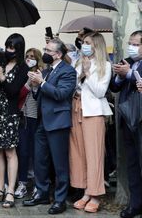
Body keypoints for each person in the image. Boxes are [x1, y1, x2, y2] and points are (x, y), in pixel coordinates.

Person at [23, 38, 76, 215]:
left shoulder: (68, 71)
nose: (45, 52)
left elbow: (61, 94)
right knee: (40, 161)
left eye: (48, 50)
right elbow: (40, 97)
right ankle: (42, 193)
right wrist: (35, 86)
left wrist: (43, 83)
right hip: (42, 122)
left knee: (60, 164)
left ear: (58, 54)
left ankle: (60, 200)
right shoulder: (45, 71)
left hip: (58, 122)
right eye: (45, 48)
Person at [69, 32, 112, 213]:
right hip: (76, 110)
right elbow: (73, 85)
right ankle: (86, 190)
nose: (83, 45)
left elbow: (100, 92)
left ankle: (95, 195)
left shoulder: (105, 65)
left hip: (93, 113)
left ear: (96, 45)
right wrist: (80, 72)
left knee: (94, 154)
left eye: (87, 43)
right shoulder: (78, 62)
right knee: (79, 153)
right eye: (83, 42)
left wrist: (87, 72)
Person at [0, 34, 29, 208]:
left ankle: (10, 190)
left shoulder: (23, 69)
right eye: (7, 47)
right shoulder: (0, 61)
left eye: (12, 48)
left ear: (19, 49)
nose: (8, 50)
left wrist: (2, 77)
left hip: (10, 113)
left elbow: (13, 92)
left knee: (10, 151)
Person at [110, 30, 142, 218]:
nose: (131, 47)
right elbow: (114, 87)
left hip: (140, 120)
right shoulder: (127, 62)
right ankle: (135, 203)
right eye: (130, 43)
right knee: (131, 164)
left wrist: (130, 73)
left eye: (136, 44)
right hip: (127, 120)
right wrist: (121, 75)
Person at [15, 48, 43, 199]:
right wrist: (27, 82)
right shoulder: (22, 73)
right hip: (23, 117)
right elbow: (18, 94)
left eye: (32, 57)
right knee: (23, 151)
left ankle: (38, 184)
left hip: (35, 117)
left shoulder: (41, 73)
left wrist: (36, 83)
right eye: (27, 56)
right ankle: (23, 182)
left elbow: (41, 96)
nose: (29, 59)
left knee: (36, 152)